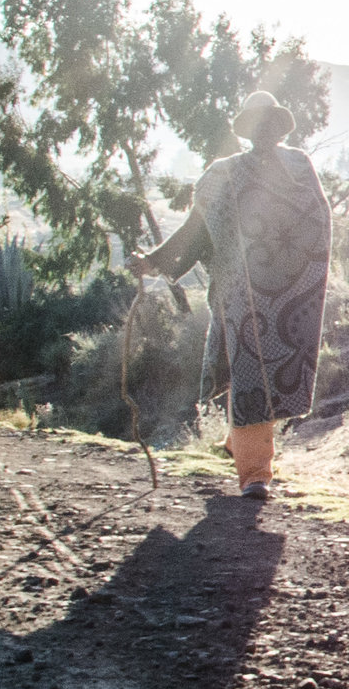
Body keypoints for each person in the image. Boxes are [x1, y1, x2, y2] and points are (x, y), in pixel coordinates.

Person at [131, 91, 331, 502]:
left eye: (271, 125)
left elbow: (319, 218)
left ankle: (238, 443)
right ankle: (255, 473)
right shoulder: (222, 174)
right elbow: (196, 229)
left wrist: (300, 272)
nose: (266, 133)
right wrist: (154, 262)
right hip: (240, 294)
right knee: (250, 373)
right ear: (248, 131)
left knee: (273, 375)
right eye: (259, 126)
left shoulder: (299, 166)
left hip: (292, 295)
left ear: (279, 128)